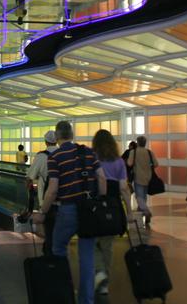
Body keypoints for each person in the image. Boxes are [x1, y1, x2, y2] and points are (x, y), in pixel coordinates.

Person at [34, 121, 107, 304]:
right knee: (87, 256)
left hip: (68, 209)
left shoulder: (56, 157)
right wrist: (100, 200)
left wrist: (43, 212)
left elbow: (53, 189)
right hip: (89, 210)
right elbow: (102, 178)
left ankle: (64, 293)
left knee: (58, 248)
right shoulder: (89, 153)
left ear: (57, 137)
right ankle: (86, 300)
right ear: (72, 134)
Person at [91, 129, 134, 296]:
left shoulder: (92, 159)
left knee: (92, 242)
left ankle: (99, 272)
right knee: (108, 245)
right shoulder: (119, 162)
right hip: (114, 207)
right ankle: (104, 283)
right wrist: (129, 212)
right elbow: (124, 188)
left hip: (95, 207)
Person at [26, 130, 59, 255]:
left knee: (49, 229)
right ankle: (59, 254)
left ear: (46, 142)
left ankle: (50, 256)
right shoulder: (63, 154)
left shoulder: (41, 156)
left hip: (46, 200)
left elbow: (30, 176)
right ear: (56, 141)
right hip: (65, 200)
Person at [127, 135, 158, 225]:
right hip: (148, 177)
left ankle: (146, 211)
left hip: (138, 177)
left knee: (139, 197)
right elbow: (156, 164)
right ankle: (143, 213)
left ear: (138, 142)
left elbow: (129, 163)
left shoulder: (134, 152)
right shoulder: (149, 152)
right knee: (143, 197)